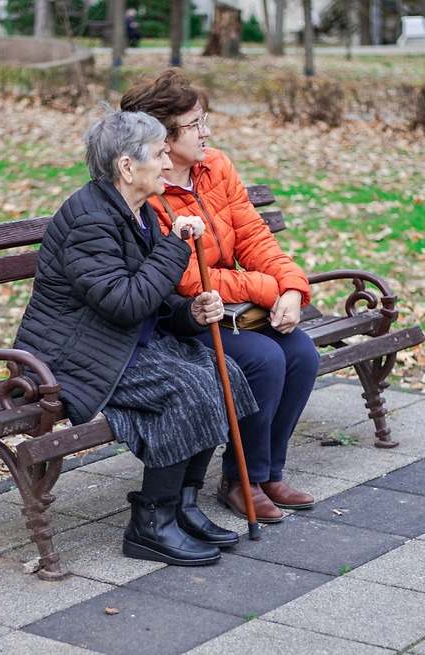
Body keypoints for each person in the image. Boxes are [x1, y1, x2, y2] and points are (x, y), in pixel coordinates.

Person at [13, 110, 258, 566]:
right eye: (161, 154)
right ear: (128, 166)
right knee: (188, 387)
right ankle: (151, 522)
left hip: (118, 342)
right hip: (72, 356)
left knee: (220, 374)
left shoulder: (134, 211)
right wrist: (178, 245)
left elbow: (152, 302)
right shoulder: (90, 220)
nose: (168, 164)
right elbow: (125, 303)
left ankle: (182, 505)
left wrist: (190, 314)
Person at [120, 70, 320, 524]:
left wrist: (291, 286)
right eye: (195, 124)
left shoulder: (216, 167)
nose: (205, 131)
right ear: (163, 137)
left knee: (301, 354)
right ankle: (239, 480)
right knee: (263, 359)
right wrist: (269, 290)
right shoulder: (149, 188)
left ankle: (267, 472)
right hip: (180, 319)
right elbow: (187, 278)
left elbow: (254, 237)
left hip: (233, 306)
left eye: (203, 119)